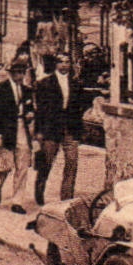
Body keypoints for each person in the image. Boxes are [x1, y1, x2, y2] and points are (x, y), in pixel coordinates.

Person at [32, 53, 83, 205]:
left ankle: (66, 198)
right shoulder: (44, 83)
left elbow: (79, 106)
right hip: (51, 129)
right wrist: (39, 132)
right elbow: (40, 110)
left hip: (70, 128)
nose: (65, 65)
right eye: (61, 62)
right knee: (46, 162)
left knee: (72, 163)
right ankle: (39, 188)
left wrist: (79, 129)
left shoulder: (75, 83)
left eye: (68, 62)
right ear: (55, 64)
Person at [0, 59, 33, 213]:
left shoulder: (27, 90)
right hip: (6, 130)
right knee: (5, 166)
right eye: (17, 72)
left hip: (22, 129)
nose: (20, 76)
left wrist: (30, 113)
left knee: (23, 165)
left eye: (22, 72)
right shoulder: (0, 89)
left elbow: (30, 108)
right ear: (11, 73)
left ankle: (17, 201)